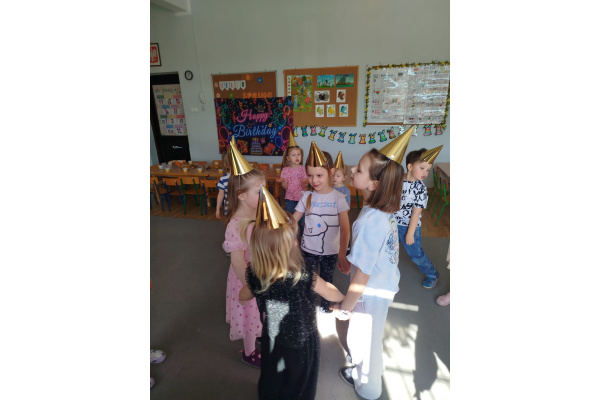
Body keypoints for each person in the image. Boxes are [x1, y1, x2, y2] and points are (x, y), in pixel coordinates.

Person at [239, 185, 347, 400]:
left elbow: (244, 294)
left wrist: (245, 296)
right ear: (291, 246)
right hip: (302, 339)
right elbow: (329, 292)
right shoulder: (302, 274)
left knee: (272, 375)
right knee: (299, 381)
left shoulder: (256, 273)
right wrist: (345, 300)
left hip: (272, 335)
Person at [334, 128, 412, 400]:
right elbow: (374, 254)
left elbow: (362, 277)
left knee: (365, 341)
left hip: (372, 293)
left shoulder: (367, 221)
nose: (352, 170)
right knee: (365, 335)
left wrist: (346, 307)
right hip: (384, 283)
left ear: (373, 185)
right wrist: (354, 262)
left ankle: (369, 388)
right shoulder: (382, 210)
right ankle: (363, 367)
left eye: (359, 169)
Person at [222, 137, 265, 367]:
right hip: (246, 279)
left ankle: (259, 335)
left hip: (259, 274)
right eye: (259, 192)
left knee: (259, 311)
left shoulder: (256, 214)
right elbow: (237, 262)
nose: (265, 196)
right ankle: (249, 352)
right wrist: (249, 285)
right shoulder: (236, 225)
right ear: (241, 196)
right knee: (249, 315)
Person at [293, 141, 350, 313]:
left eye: (319, 175)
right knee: (309, 281)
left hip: (330, 252)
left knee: (327, 279)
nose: (314, 180)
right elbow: (293, 220)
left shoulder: (339, 198)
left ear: (330, 172)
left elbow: (345, 229)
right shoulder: (306, 196)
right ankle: (308, 308)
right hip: (308, 250)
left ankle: (326, 307)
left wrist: (342, 254)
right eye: (310, 175)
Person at [394, 145, 443, 289]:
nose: (425, 173)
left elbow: (416, 213)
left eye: (428, 170)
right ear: (410, 166)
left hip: (410, 227)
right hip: (392, 223)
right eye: (422, 168)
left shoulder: (421, 189)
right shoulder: (397, 180)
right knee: (389, 249)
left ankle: (432, 274)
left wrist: (410, 233)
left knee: (416, 254)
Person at [277, 134, 307, 235]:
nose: (297, 157)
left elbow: (305, 186)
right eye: (293, 155)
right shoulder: (285, 170)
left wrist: (305, 182)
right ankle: (291, 237)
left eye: (298, 154)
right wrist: (283, 182)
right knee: (291, 221)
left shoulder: (303, 169)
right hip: (290, 200)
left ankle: (303, 238)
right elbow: (285, 187)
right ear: (288, 158)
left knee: (302, 222)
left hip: (302, 200)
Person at [216, 149, 232, 219]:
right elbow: (220, 194)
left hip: (241, 209)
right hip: (229, 208)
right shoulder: (223, 179)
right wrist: (218, 208)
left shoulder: (243, 177)